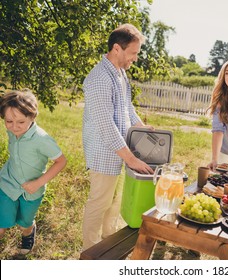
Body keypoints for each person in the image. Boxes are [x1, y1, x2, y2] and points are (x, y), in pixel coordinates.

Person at [82, 23, 155, 250]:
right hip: (105, 152)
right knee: (100, 202)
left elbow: (126, 107)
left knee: (114, 202)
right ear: (117, 48)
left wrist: (142, 128)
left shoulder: (120, 74)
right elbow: (106, 126)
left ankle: (108, 242)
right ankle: (90, 252)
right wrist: (132, 159)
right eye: (133, 53)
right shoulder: (99, 79)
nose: (135, 58)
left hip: (121, 151)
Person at [0, 90, 67, 254]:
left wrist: (38, 183)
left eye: (21, 122)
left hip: (32, 191)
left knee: (24, 224)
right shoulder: (12, 131)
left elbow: (61, 161)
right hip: (8, 184)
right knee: (1, 223)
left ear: (32, 117)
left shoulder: (41, 139)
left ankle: (29, 232)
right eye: (9, 121)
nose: (14, 127)